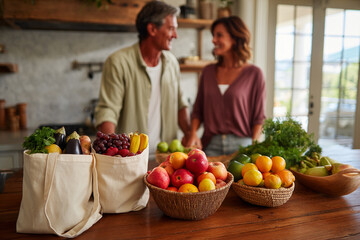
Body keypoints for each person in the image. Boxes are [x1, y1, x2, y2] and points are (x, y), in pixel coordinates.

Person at [94, 1, 190, 159]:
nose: (175, 35)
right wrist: (111, 155)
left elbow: (181, 104)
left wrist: (190, 133)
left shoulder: (172, 63)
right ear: (152, 29)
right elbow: (108, 111)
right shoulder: (118, 62)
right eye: (171, 28)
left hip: (168, 160)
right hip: (131, 159)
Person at [185, 16, 266, 156]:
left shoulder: (254, 74)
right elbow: (197, 111)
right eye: (213, 35)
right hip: (210, 145)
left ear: (235, 38)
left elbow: (259, 117)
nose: (213, 40)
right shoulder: (208, 72)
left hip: (242, 146)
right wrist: (193, 134)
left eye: (219, 35)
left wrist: (254, 147)